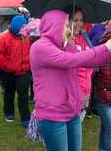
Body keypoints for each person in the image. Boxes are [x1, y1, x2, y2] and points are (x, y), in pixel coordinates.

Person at [30, 10, 111, 151]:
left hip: (72, 111)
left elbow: (90, 60)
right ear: (55, 25)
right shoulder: (40, 47)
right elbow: (71, 60)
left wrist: (108, 54)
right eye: (67, 25)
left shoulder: (66, 46)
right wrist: (105, 47)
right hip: (53, 115)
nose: (70, 29)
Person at [0, 15, 31, 127]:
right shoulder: (3, 38)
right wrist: (8, 66)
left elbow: (32, 51)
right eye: (21, 27)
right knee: (9, 92)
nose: (23, 29)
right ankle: (9, 113)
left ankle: (25, 118)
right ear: (15, 27)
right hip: (8, 72)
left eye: (24, 27)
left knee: (23, 94)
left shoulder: (27, 37)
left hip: (24, 71)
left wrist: (29, 65)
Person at [65, 6, 93, 121]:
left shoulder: (84, 39)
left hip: (86, 93)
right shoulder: (64, 41)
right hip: (71, 96)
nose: (79, 24)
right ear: (67, 21)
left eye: (81, 20)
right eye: (75, 20)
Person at [93, 30, 111, 151]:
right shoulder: (102, 51)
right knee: (109, 126)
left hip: (106, 95)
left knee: (107, 127)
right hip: (103, 96)